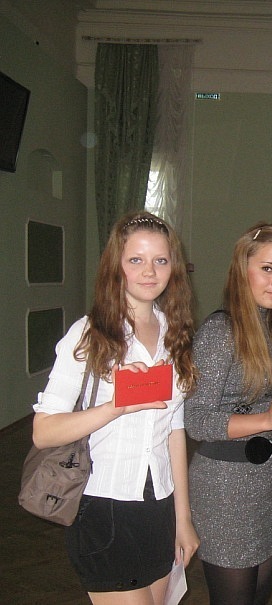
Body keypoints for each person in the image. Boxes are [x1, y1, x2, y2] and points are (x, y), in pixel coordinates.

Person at [32, 211, 199, 604]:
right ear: (115, 266)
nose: (149, 271)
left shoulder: (175, 334)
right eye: (135, 259)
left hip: (160, 507)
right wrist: (115, 407)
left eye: (160, 260)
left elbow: (174, 430)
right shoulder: (90, 335)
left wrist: (183, 518)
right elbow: (43, 431)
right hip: (104, 507)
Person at [184, 222, 272, 605]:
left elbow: (265, 400)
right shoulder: (221, 331)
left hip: (266, 481)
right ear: (243, 269)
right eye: (267, 268)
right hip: (224, 486)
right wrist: (267, 420)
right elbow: (195, 419)